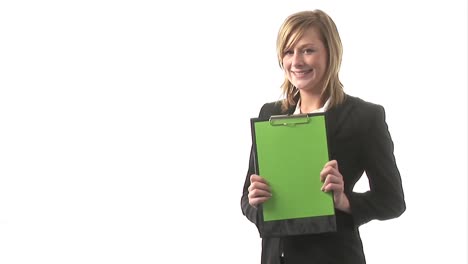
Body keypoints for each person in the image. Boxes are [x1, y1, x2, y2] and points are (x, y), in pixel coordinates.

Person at [240, 9, 406, 264]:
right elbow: (246, 201)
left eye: (308, 50)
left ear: (331, 52)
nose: (296, 61)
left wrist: (343, 200)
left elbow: (392, 201)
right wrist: (255, 201)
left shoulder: (364, 117)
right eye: (288, 51)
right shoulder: (270, 113)